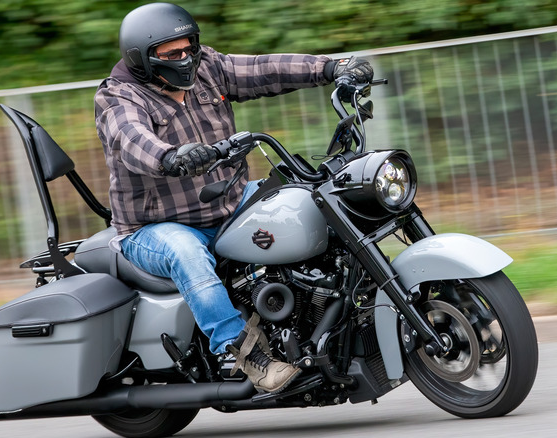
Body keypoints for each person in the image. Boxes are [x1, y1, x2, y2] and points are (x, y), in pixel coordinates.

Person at [94, 2, 373, 394]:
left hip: (228, 201)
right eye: (171, 54)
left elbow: (262, 70)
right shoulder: (118, 97)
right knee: (186, 253)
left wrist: (332, 67)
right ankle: (238, 352)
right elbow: (131, 139)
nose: (185, 59)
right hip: (154, 226)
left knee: (304, 204)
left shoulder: (207, 68)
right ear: (141, 58)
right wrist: (170, 157)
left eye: (188, 47)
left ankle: (337, 310)